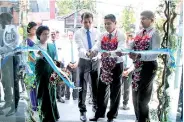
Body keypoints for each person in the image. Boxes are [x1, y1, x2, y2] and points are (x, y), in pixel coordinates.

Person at [89, 14, 126, 122]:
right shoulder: (102, 35)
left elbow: (121, 49)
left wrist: (109, 54)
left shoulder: (120, 35)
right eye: (105, 23)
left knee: (115, 92)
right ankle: (99, 114)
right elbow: (97, 45)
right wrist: (93, 51)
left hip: (117, 66)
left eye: (109, 23)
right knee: (101, 91)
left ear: (115, 23)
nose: (107, 25)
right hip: (104, 65)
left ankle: (111, 116)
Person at [129, 10, 160, 122]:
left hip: (148, 66)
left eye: (144, 18)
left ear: (151, 20)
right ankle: (139, 119)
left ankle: (144, 120)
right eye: (140, 18)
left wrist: (139, 56)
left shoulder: (155, 33)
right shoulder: (139, 33)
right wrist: (128, 51)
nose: (141, 21)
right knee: (135, 97)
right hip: (137, 66)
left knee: (142, 99)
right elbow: (131, 46)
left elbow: (154, 54)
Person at [75, 12, 100, 122]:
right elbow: (80, 47)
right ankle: (82, 111)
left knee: (95, 86)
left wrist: (93, 52)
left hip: (95, 61)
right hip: (84, 61)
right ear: (82, 22)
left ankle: (96, 108)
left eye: (90, 22)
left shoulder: (97, 32)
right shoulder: (78, 33)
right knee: (82, 87)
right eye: (85, 22)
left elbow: (98, 45)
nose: (88, 24)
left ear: (92, 21)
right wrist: (87, 53)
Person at [35, 26, 60, 122]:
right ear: (39, 35)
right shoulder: (35, 46)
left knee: (52, 92)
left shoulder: (51, 46)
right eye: (44, 34)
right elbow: (36, 57)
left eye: (47, 34)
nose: (46, 36)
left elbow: (55, 59)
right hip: (41, 72)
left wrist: (56, 71)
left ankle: (54, 114)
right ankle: (45, 115)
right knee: (43, 92)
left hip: (51, 71)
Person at [0, 12, 20, 116]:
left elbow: (9, 47)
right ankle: (8, 101)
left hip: (12, 59)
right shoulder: (3, 30)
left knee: (13, 83)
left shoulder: (13, 31)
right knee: (5, 81)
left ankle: (14, 105)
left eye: (3, 21)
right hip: (4, 60)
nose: (2, 23)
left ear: (8, 21)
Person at [22, 22, 38, 111]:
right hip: (30, 65)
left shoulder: (36, 38)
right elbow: (26, 53)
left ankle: (37, 103)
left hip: (36, 63)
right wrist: (34, 60)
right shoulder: (26, 40)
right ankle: (34, 105)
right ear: (29, 29)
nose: (35, 30)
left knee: (37, 85)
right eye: (34, 29)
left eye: (36, 29)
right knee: (32, 85)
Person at [50, 30, 65, 103]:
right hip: (51, 63)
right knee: (52, 80)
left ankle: (59, 97)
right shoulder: (48, 44)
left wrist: (64, 63)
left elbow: (63, 53)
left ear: (56, 35)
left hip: (59, 63)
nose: (53, 35)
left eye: (54, 34)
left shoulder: (60, 43)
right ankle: (52, 97)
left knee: (59, 81)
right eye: (51, 34)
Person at [64, 31, 79, 100]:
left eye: (71, 35)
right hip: (68, 65)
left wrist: (77, 63)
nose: (70, 37)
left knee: (76, 81)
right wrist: (68, 63)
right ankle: (67, 96)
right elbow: (63, 55)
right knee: (67, 80)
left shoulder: (77, 44)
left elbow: (79, 54)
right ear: (67, 36)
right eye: (69, 35)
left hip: (76, 64)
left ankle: (75, 96)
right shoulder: (65, 44)